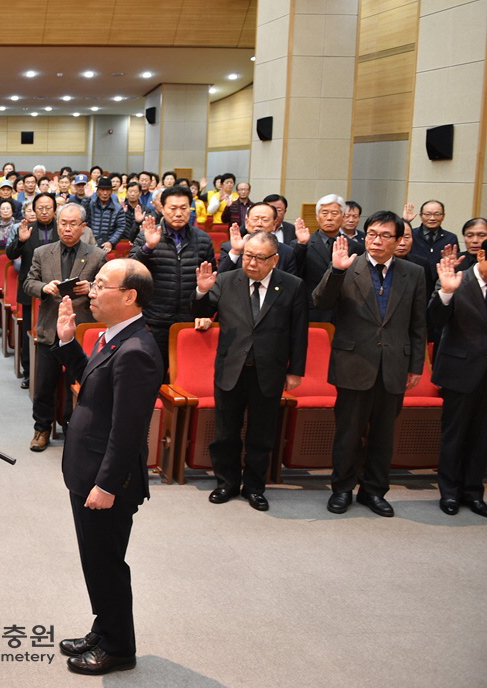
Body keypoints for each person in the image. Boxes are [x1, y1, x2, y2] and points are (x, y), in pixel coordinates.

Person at [54, 260, 160, 676]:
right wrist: (67, 344)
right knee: (95, 560)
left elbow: (128, 430)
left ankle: (119, 648)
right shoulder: (113, 336)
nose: (91, 292)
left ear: (130, 296)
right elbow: (93, 385)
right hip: (88, 469)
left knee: (107, 563)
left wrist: (107, 484)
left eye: (101, 286)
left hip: (106, 480)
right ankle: (104, 627)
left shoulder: (137, 351)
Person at [313, 211, 425, 517]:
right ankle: (342, 489)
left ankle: (374, 490)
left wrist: (416, 365)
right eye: (372, 234)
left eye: (385, 235)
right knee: (348, 432)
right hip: (353, 362)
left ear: (399, 240)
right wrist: (336, 272)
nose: (376, 241)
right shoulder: (349, 265)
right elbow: (320, 302)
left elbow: (418, 324)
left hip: (394, 365)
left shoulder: (413, 273)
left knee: (383, 435)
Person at [193, 231, 308, 511]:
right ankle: (226, 483)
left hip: (269, 370)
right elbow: (199, 311)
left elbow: (299, 332)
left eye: (259, 258)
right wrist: (201, 292)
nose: (252, 263)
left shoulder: (292, 286)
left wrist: (296, 371)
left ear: (275, 260)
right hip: (231, 368)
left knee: (261, 434)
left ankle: (255, 487)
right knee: (225, 432)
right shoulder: (226, 280)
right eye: (248, 256)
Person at [23, 203, 106, 452]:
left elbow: (107, 289)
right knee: (44, 385)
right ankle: (41, 429)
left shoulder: (97, 255)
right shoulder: (42, 252)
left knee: (78, 384)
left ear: (83, 227)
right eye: (63, 223)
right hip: (50, 328)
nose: (67, 229)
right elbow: (28, 283)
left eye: (73, 224)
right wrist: (43, 288)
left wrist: (91, 288)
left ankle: (75, 430)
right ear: (57, 225)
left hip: (82, 330)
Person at [129, 186, 216, 377]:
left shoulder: (202, 239)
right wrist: (148, 247)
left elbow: (211, 281)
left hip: (189, 323)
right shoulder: (147, 236)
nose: (178, 213)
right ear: (162, 208)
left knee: (186, 379)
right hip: (154, 322)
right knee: (151, 377)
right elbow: (131, 273)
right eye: (173, 208)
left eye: (184, 208)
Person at [430, 250, 487, 517]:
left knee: (481, 436)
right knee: (455, 434)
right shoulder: (455, 279)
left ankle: (474, 492)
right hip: (459, 370)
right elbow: (433, 321)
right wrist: (446, 292)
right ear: (482, 255)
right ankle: (450, 493)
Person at [7, 193, 59, 388]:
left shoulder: (62, 230)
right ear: (34, 210)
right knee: (29, 332)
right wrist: (20, 241)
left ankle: (52, 373)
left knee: (55, 333)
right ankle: (29, 372)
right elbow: (11, 254)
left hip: (57, 291)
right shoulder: (27, 229)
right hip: (30, 289)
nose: (44, 211)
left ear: (54, 210)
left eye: (48, 208)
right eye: (40, 208)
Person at [301, 194, 363, 322]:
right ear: (317, 217)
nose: (329, 218)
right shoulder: (303, 244)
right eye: (324, 213)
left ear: (343, 217)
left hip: (344, 312)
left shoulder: (355, 247)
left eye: (335, 213)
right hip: (312, 311)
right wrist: (300, 247)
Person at [216, 203, 309, 277]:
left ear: (274, 224)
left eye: (265, 220)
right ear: (247, 223)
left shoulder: (287, 252)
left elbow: (292, 284)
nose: (259, 224)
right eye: (255, 219)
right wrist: (236, 252)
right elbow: (220, 279)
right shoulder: (230, 248)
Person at [84, 176, 125, 255]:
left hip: (108, 245)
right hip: (90, 243)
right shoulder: (90, 204)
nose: (105, 193)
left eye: (108, 190)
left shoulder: (118, 208)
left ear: (111, 191)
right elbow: (82, 218)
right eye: (102, 190)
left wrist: (111, 242)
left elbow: (120, 228)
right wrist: (86, 198)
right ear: (97, 191)